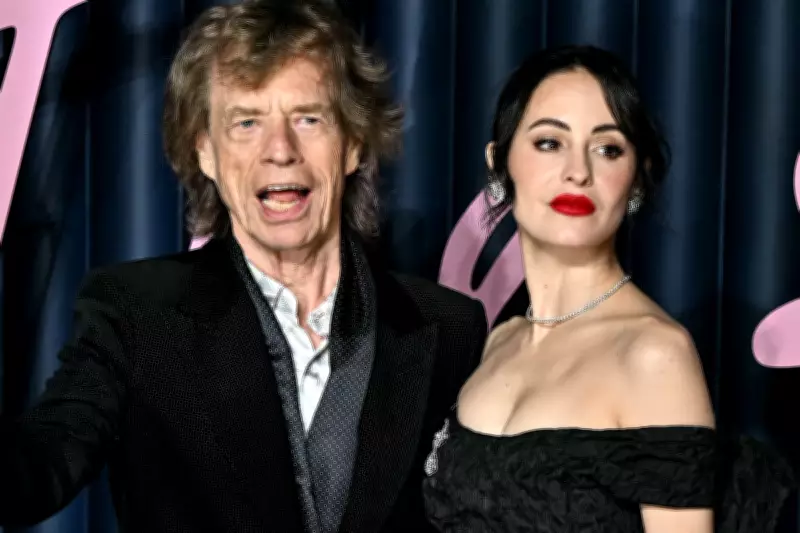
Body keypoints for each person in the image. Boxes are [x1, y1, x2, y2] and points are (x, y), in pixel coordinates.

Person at [0, 1, 487, 532]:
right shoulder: (135, 314)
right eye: (247, 122)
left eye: (308, 118)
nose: (280, 150)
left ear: (352, 144)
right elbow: (38, 465)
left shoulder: (449, 327)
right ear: (205, 152)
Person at [421, 45, 795, 533]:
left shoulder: (654, 354)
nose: (578, 171)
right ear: (499, 165)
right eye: (549, 143)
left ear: (636, 180)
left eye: (608, 149)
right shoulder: (499, 340)